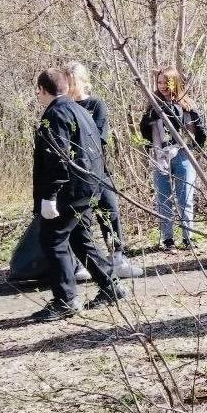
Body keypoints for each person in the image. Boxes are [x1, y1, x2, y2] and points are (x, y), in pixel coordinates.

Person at [30, 68, 129, 320]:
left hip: (68, 191)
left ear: (43, 89)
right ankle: (111, 287)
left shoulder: (55, 115)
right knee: (80, 238)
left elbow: (57, 158)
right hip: (88, 187)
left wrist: (50, 195)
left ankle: (66, 300)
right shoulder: (81, 111)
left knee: (53, 241)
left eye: (38, 91)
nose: (38, 95)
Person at [63, 62, 143, 279]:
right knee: (80, 219)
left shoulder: (96, 104)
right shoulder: (63, 108)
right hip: (73, 175)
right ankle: (82, 263)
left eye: (74, 82)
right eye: (67, 83)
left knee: (110, 210)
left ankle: (117, 257)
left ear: (82, 81)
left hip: (98, 171)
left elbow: (99, 138)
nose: (71, 87)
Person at [139, 66, 207, 251]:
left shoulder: (187, 105)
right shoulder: (153, 105)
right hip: (161, 156)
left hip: (183, 155)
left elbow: (201, 132)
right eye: (159, 82)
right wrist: (149, 119)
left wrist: (195, 147)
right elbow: (144, 132)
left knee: (185, 197)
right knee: (163, 199)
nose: (162, 86)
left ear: (175, 82)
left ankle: (188, 238)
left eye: (166, 82)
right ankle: (168, 240)